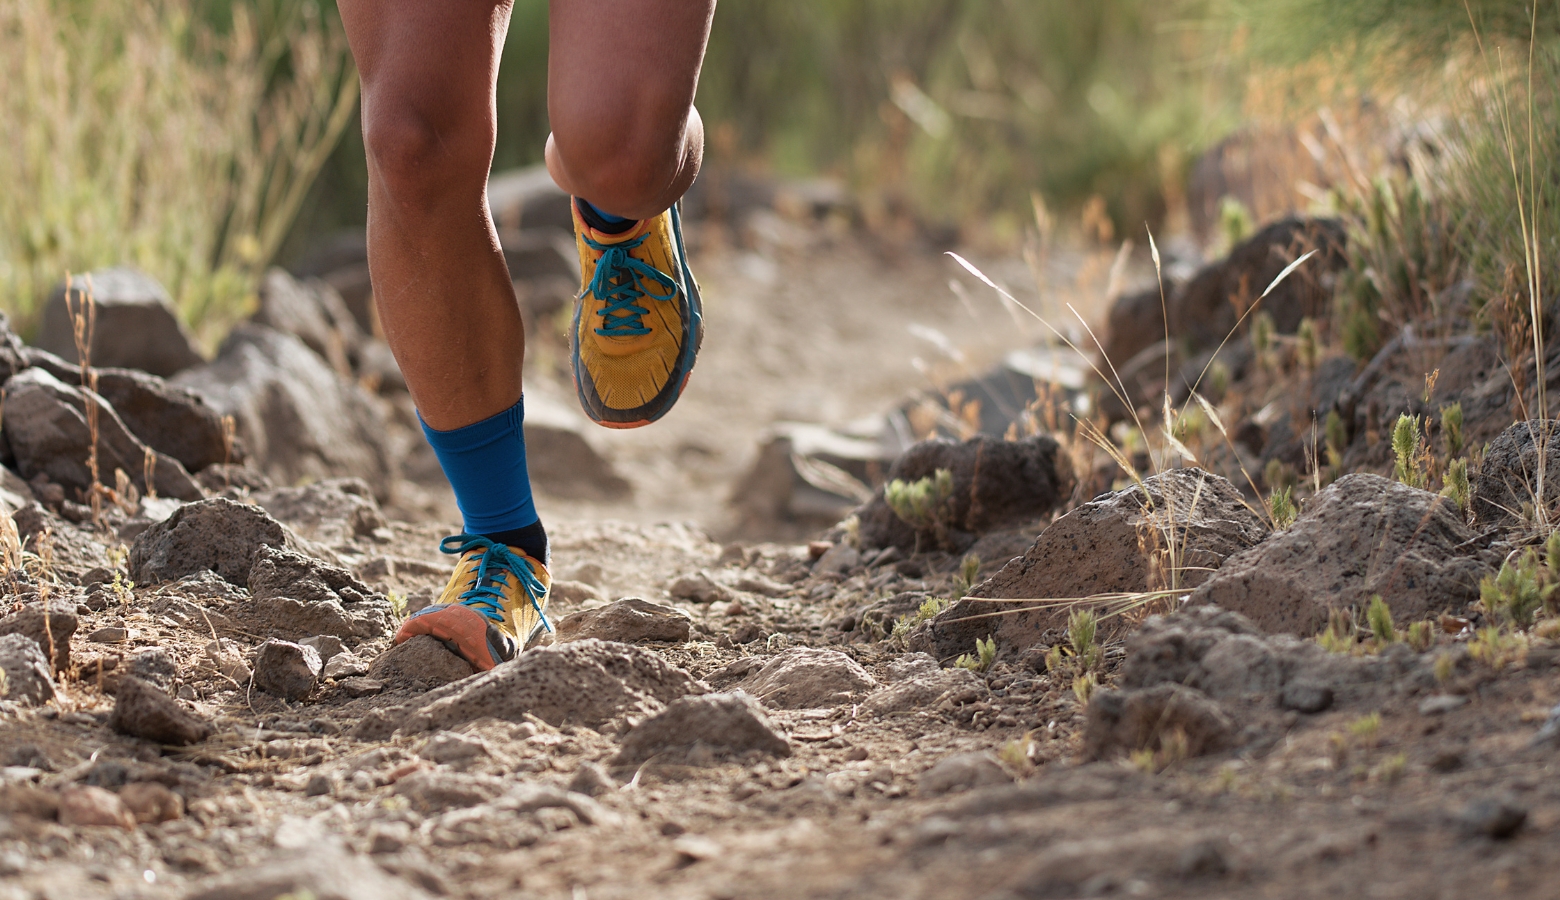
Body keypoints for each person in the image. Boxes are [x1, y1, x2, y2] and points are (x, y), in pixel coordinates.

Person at [336, 0, 713, 670]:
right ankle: (501, 541)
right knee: (409, 140)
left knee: (622, 153)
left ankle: (615, 211)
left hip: (619, 162)